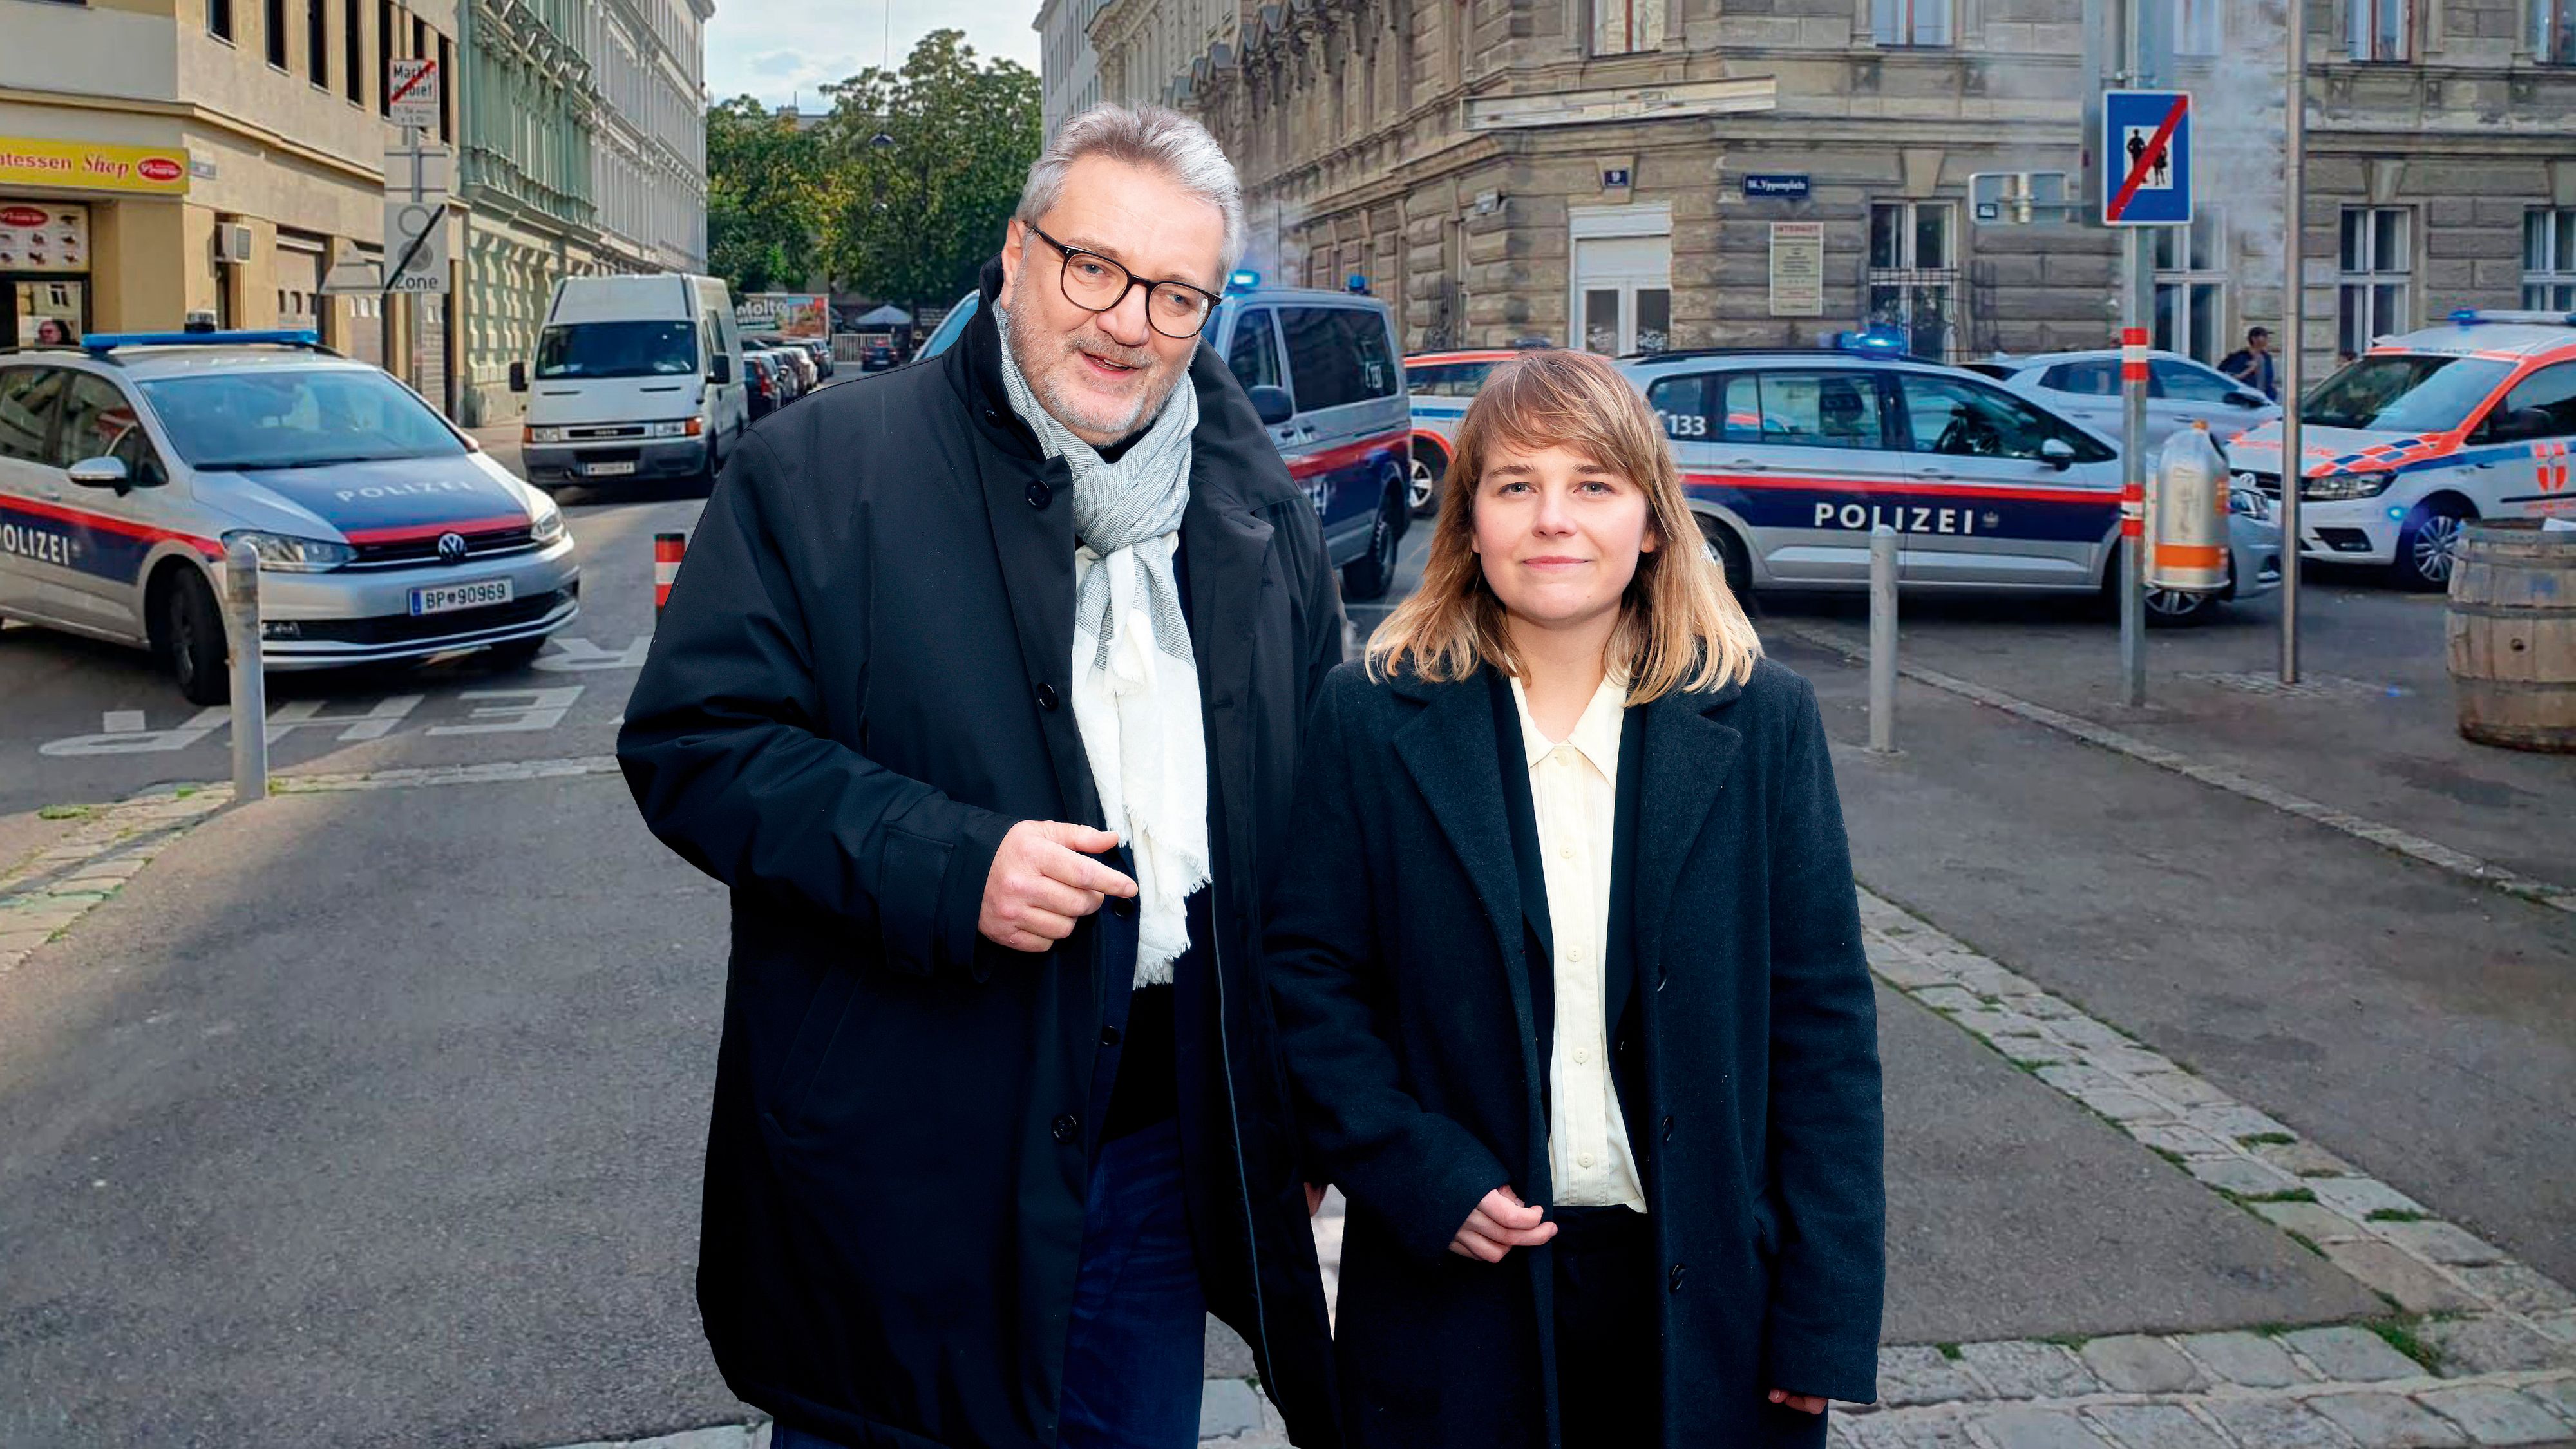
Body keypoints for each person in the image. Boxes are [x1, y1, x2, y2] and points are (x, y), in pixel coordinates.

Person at [618, 103, 1343, 1449]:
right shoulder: (826, 469)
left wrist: (1292, 1111)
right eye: (1094, 269)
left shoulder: (1254, 515)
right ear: (1014, 257)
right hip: (901, 1163)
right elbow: (696, 746)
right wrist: (954, 864)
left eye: (1175, 294)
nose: (1128, 321)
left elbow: (1306, 847)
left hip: (1151, 1174)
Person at [1265, 349, 1886, 1449]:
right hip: (1453, 1291)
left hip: (1700, 1300)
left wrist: (1824, 1317)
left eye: (1592, 484)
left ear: (1652, 521)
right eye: (1516, 486)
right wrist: (1415, 1169)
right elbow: (1307, 985)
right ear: (1465, 524)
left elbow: (1823, 1029)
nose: (1554, 518)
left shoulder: (1759, 723)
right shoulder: (1369, 719)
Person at [2219, 327, 2278, 401]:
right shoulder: (2242, 357)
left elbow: (2269, 379)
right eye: (2264, 337)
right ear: (2254, 339)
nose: (2267, 340)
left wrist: (2273, 390)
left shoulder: (2267, 357)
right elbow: (2232, 379)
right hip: (2245, 401)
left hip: (2264, 399)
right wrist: (2250, 369)